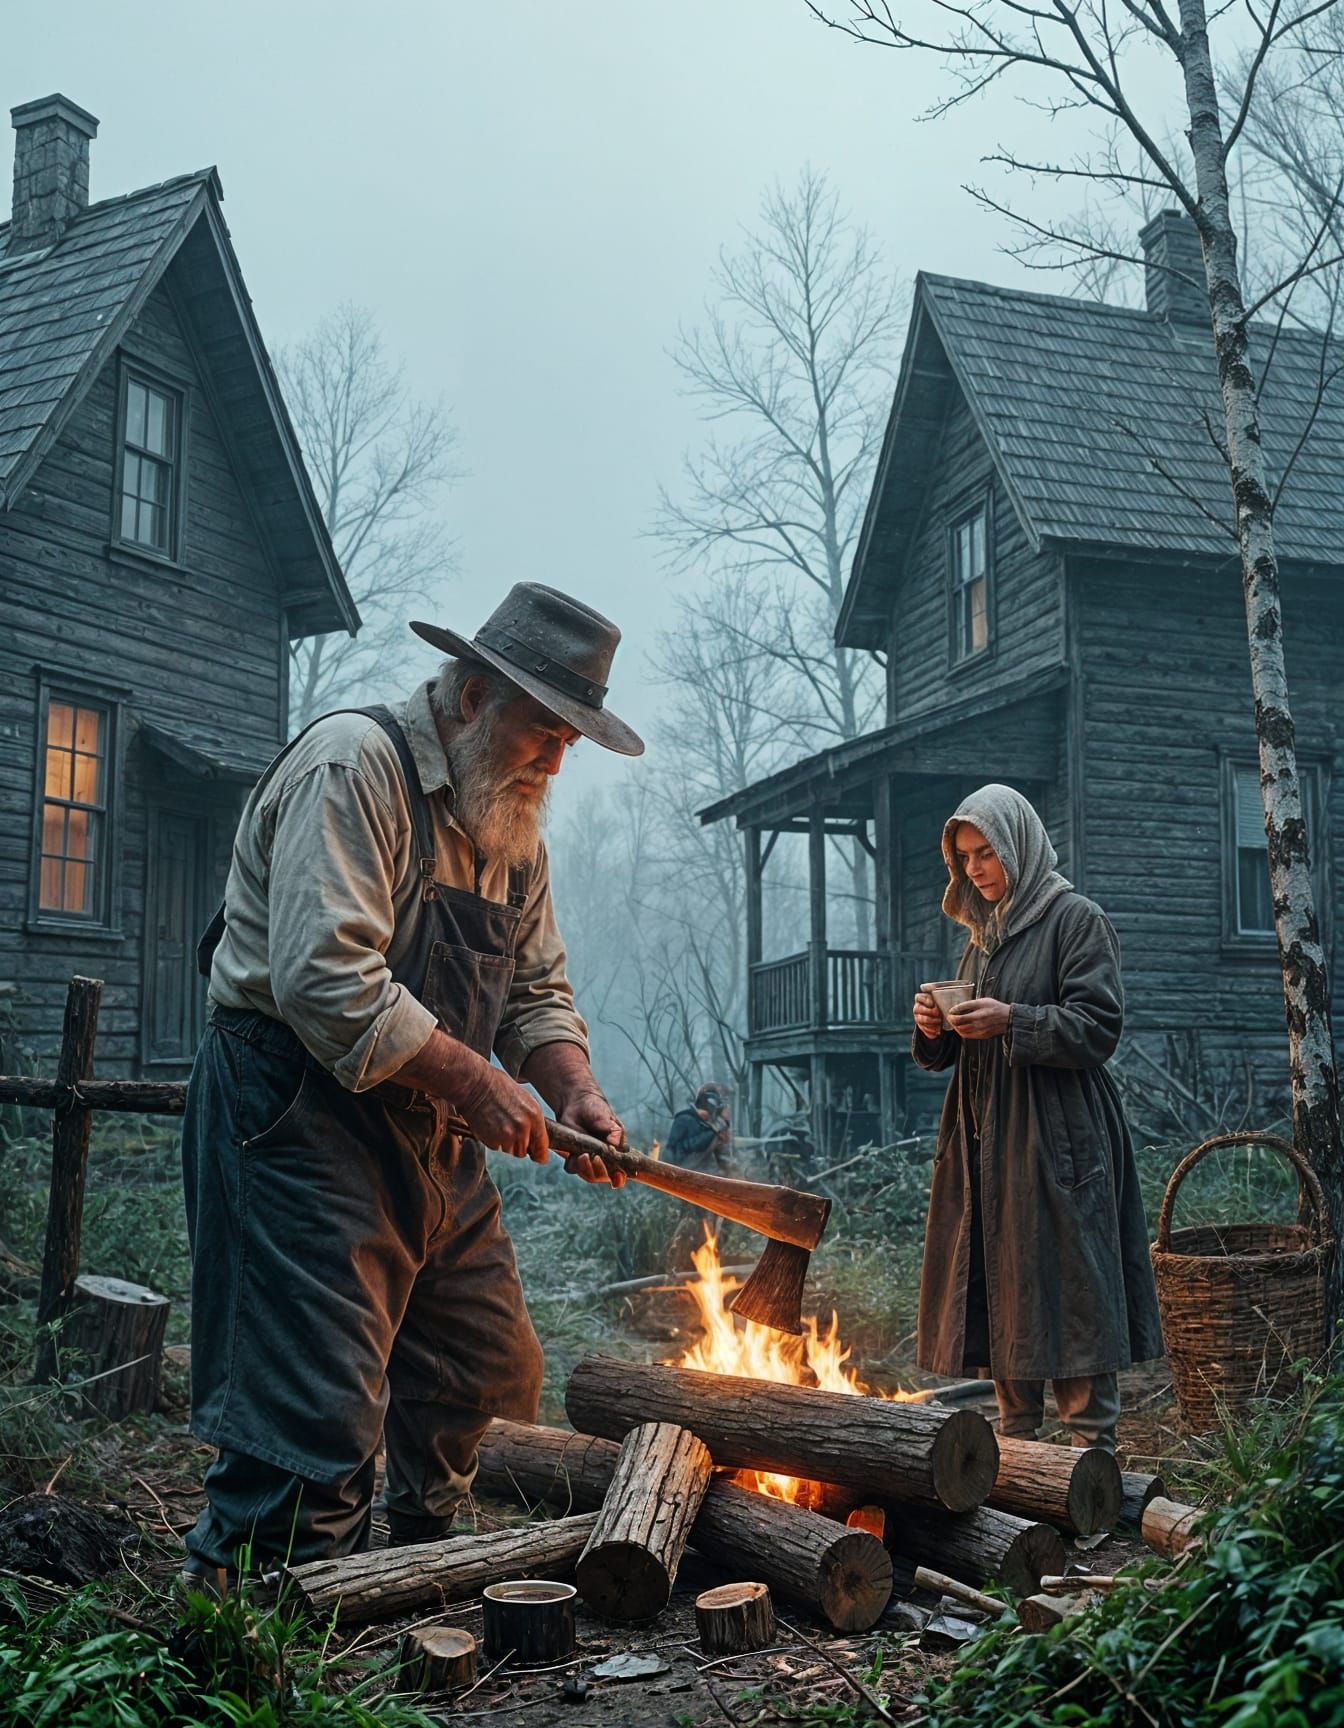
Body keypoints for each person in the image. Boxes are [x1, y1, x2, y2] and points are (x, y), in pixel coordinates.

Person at [180, 584, 642, 1592]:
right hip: (298, 1114)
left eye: (573, 740)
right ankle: (257, 1621)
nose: (558, 762)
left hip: (431, 1133)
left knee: (490, 1368)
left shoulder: (511, 824)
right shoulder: (356, 767)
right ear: (474, 698)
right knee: (314, 1412)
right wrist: (481, 1089)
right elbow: (325, 980)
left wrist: (574, 1091)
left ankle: (415, 1576)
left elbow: (536, 990)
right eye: (545, 732)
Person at [911, 783, 1163, 1452]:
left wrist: (1013, 1019)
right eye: (964, 857)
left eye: (986, 853)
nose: (975, 869)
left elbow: (1099, 1026)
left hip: (1058, 1138)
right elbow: (965, 1043)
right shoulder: (981, 938)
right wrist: (935, 1028)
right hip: (984, 1138)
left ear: (1018, 846)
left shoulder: (1074, 919)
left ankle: (1094, 1474)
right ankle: (1016, 1476)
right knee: (1001, 1288)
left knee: (1071, 1292)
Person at [664, 1084, 733, 1172]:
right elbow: (677, 1151)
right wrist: (713, 1131)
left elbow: (722, 1158)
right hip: (681, 1172)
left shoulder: (711, 1127)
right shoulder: (684, 1119)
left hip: (703, 1175)